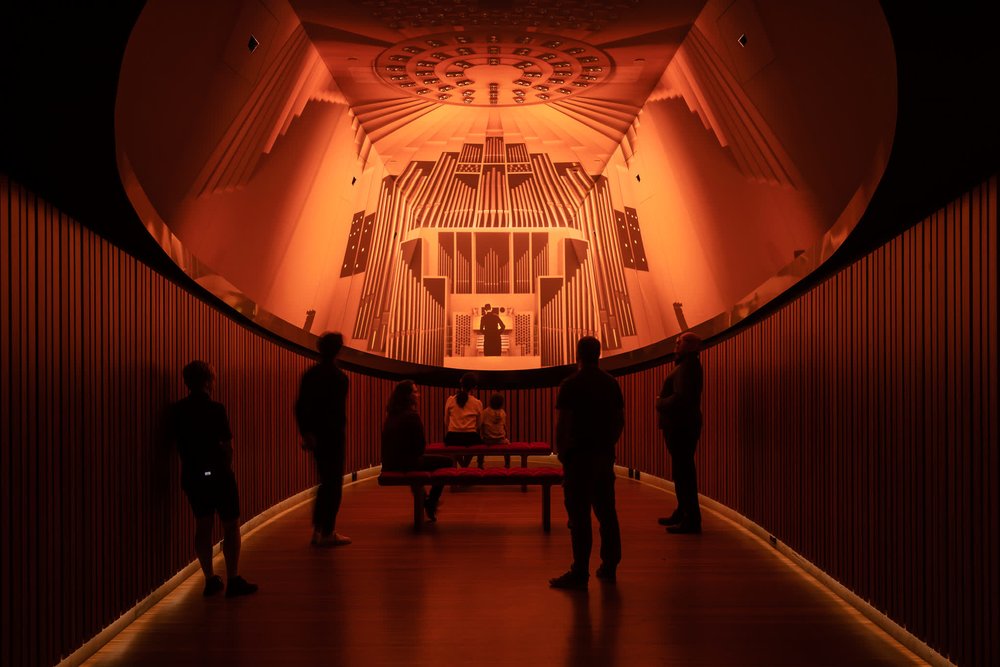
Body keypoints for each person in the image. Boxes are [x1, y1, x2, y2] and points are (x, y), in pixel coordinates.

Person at [166, 360, 258, 598]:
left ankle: (209, 579)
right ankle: (233, 578)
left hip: (192, 474)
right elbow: (226, 445)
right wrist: (226, 468)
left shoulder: (177, 411)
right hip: (219, 473)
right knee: (230, 525)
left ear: (187, 382)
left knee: (203, 525)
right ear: (208, 381)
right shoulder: (216, 409)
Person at [549, 336, 624, 590]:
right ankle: (610, 565)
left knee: (579, 516)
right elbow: (618, 420)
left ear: (577, 354)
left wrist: (562, 452)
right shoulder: (611, 383)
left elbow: (564, 422)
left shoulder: (570, 384)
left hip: (578, 457)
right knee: (607, 513)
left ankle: (580, 570)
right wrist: (609, 445)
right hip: (603, 455)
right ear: (599, 355)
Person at [295, 332, 352, 547]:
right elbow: (335, 413)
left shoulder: (310, 375)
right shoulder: (340, 378)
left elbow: (301, 407)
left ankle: (318, 530)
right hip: (334, 437)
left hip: (316, 437)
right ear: (338, 350)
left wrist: (307, 433)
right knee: (334, 484)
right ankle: (327, 531)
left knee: (324, 482)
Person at [381, 380, 454, 521]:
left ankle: (423, 497)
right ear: (407, 396)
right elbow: (420, 447)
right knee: (448, 462)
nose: (418, 394)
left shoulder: (391, 414)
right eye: (415, 391)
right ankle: (431, 502)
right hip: (405, 463)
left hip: (390, 463)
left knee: (420, 462)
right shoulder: (411, 416)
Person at [656, 332, 704, 534]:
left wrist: (660, 402)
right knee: (682, 472)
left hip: (681, 426)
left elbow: (680, 398)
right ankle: (683, 512)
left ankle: (690, 519)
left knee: (684, 474)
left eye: (681, 341)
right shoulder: (688, 366)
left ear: (692, 346)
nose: (676, 343)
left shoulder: (686, 368)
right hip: (683, 425)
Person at [444, 372, 483, 467]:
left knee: (453, 446)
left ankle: (462, 465)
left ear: (461, 383)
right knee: (476, 442)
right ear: (474, 387)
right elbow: (479, 424)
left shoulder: (451, 400)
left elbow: (446, 421)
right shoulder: (477, 403)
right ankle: (465, 465)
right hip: (470, 437)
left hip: (452, 437)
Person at [480, 392, 510, 467]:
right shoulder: (502, 412)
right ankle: (507, 464)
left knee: (480, 445)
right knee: (508, 445)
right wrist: (505, 437)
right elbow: (505, 427)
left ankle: (480, 463)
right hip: (501, 440)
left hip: (487, 440)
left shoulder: (485, 412)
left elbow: (481, 426)